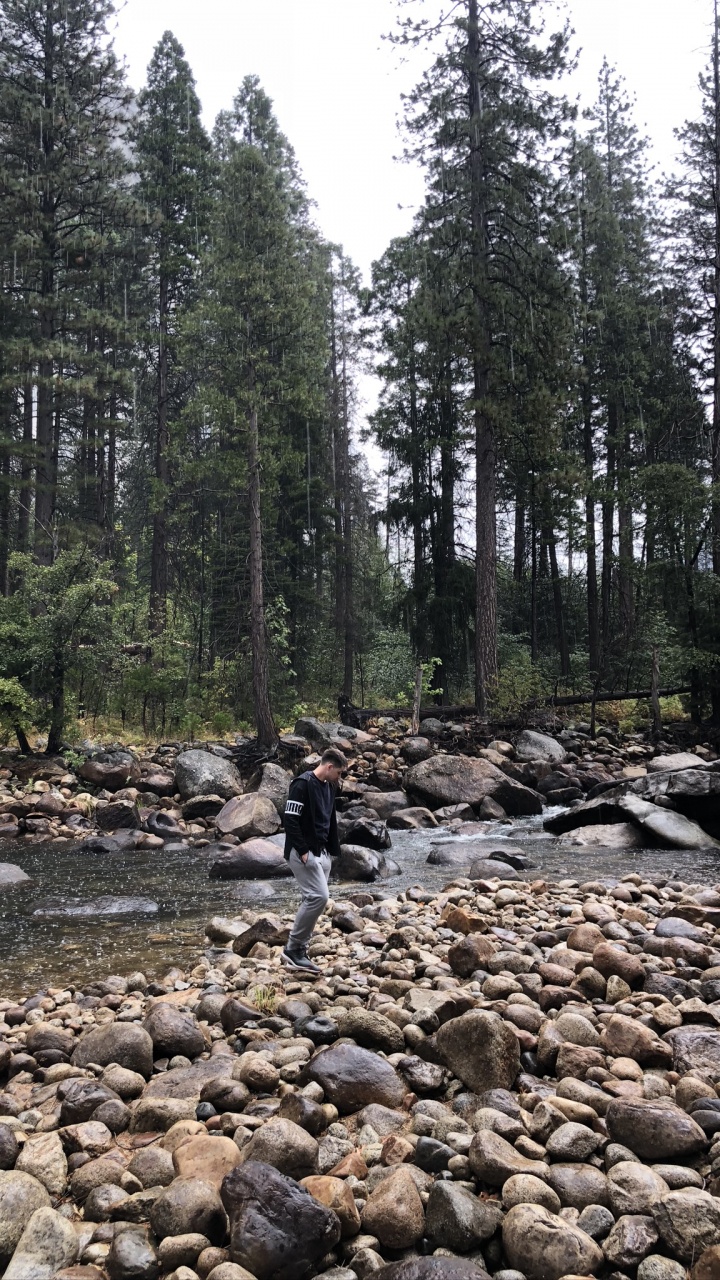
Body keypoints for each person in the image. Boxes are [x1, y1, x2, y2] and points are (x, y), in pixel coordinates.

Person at [281, 747, 345, 973]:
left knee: (312, 900)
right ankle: (293, 949)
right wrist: (303, 850)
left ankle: (300, 951)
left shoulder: (329, 786)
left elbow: (328, 819)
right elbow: (290, 820)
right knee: (319, 897)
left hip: (321, 852)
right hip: (302, 852)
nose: (339, 778)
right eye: (339, 773)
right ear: (329, 766)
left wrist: (329, 851)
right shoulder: (302, 784)